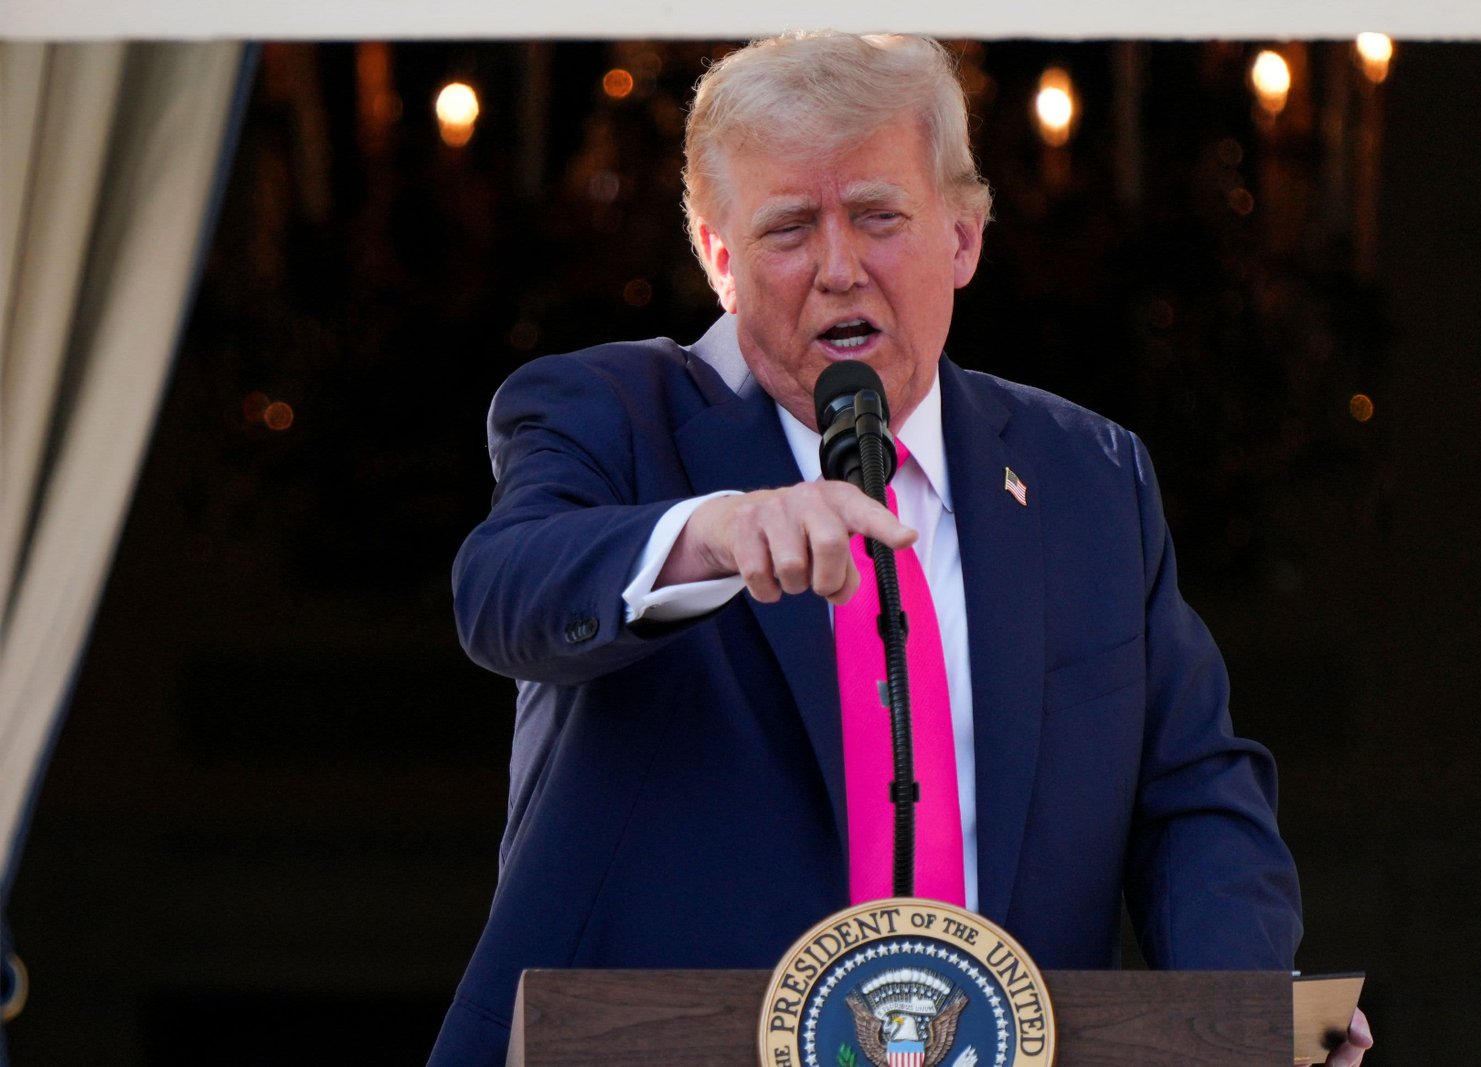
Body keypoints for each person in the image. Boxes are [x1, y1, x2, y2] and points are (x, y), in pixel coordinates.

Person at [428, 31, 1371, 1067]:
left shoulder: (1088, 475)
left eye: (879, 217)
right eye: (790, 228)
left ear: (963, 238)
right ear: (721, 258)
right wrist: (713, 531)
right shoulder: (604, 411)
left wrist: (1243, 1011)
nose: (839, 269)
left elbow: (1190, 791)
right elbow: (502, 590)